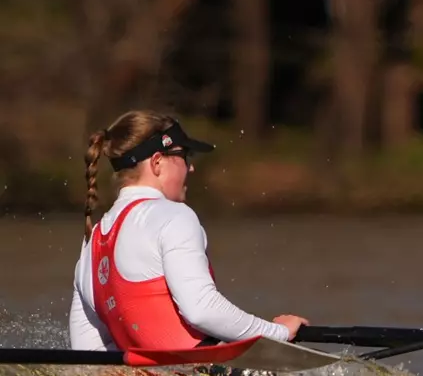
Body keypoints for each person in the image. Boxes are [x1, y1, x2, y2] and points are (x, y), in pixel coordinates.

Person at [70, 111, 307, 351]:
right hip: (198, 369)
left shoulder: (91, 244)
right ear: (157, 162)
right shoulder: (173, 216)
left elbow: (86, 353)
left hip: (148, 375)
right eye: (184, 156)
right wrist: (278, 332)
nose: (191, 168)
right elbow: (202, 310)